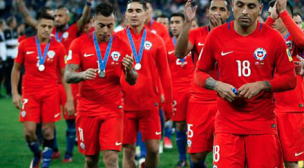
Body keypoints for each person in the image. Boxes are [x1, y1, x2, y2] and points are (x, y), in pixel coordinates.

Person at [194, 0, 297, 167]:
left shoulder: (274, 38)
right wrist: (217, 85)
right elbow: (199, 73)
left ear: (260, 9)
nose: (244, 11)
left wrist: (263, 85)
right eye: (240, 5)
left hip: (262, 124)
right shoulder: (216, 35)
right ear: (232, 6)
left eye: (251, 6)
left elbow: (290, 79)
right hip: (227, 124)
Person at [16, 0, 92, 162]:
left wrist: (88, 4)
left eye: (60, 16)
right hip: (47, 84)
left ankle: (69, 154)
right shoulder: (45, 30)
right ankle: (54, 149)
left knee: (70, 119)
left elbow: (84, 19)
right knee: (46, 123)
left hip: (66, 82)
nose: (56, 18)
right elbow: (28, 18)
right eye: (55, 15)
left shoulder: (71, 31)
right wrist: (19, 4)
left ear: (67, 19)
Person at [64, 2, 137, 168]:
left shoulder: (122, 45)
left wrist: (129, 70)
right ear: (92, 22)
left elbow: (133, 80)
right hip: (87, 109)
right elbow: (68, 75)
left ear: (115, 24)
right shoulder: (78, 43)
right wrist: (82, 75)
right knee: (91, 160)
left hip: (113, 108)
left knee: (111, 159)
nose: (105, 31)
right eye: (101, 25)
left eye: (110, 26)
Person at [11, 12, 74, 168]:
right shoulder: (25, 44)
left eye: (50, 27)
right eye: (44, 26)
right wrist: (14, 93)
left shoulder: (58, 47)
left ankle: (45, 163)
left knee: (47, 131)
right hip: (29, 93)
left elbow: (63, 73)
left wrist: (70, 99)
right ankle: (37, 155)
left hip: (50, 92)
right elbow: (16, 69)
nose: (47, 30)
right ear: (37, 26)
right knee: (29, 132)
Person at [116, 1, 173, 168]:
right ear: (125, 15)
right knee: (128, 150)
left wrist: (168, 105)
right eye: (130, 11)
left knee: (154, 150)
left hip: (150, 104)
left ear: (146, 15)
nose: (134, 14)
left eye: (138, 11)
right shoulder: (117, 39)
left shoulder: (156, 40)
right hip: (124, 104)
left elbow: (165, 74)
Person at [175, 0, 230, 167]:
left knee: (227, 155)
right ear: (207, 12)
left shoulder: (236, 34)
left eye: (222, 9)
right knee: (197, 156)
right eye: (214, 8)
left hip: (227, 100)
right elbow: (179, 53)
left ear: (228, 14)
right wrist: (187, 22)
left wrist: (218, 33)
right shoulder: (196, 33)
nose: (217, 12)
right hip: (200, 101)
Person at [266, 0, 304, 167]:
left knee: (290, 162)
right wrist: (272, 18)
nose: (270, 18)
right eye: (268, 15)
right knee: (269, 160)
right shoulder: (266, 39)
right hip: (268, 108)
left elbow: (302, 41)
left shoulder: (293, 38)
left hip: (291, 108)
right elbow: (257, 36)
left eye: (273, 14)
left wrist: (282, 14)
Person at [168, 12, 195, 167]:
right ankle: (182, 158)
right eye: (172, 22)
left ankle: (196, 158)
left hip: (193, 90)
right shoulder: (166, 44)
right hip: (176, 92)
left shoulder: (193, 42)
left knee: (194, 125)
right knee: (180, 125)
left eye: (177, 22)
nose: (174, 25)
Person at [3, 16, 18, 97]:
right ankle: (9, 92)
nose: (15, 23)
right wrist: (14, 45)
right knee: (9, 75)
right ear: (11, 23)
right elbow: (5, 44)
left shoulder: (15, 31)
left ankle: (14, 91)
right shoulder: (5, 31)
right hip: (8, 57)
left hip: (15, 56)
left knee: (15, 75)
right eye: (14, 21)